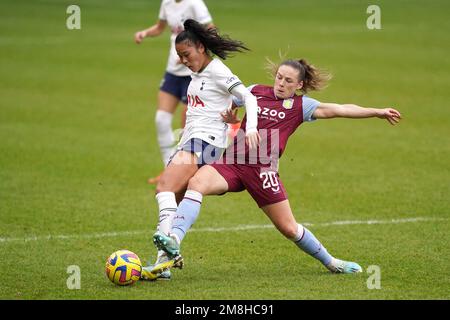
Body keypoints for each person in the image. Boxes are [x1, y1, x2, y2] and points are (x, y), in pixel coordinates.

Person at [151, 58, 402, 276]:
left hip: (263, 173)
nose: (281, 84)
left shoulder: (302, 106)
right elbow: (229, 102)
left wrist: (376, 112)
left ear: (299, 85)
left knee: (289, 228)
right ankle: (174, 241)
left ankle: (331, 262)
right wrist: (231, 117)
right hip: (232, 164)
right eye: (279, 78)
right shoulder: (255, 92)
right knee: (196, 183)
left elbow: (340, 109)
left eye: (288, 81)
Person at [139, 19, 261, 280]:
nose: (183, 60)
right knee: (177, 199)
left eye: (187, 54)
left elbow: (248, 97)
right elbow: (232, 101)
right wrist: (231, 114)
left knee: (164, 188)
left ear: (202, 48)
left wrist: (250, 129)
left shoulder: (217, 70)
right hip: (194, 142)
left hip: (205, 142)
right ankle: (163, 266)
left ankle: (166, 249)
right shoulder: (197, 73)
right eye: (179, 56)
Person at [134, 0, 214, 184]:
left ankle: (186, 171)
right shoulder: (167, 3)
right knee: (161, 120)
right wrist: (144, 33)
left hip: (192, 74)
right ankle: (167, 169)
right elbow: (160, 28)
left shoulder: (195, 3)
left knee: (186, 128)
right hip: (172, 73)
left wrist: (190, 54)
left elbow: (211, 29)